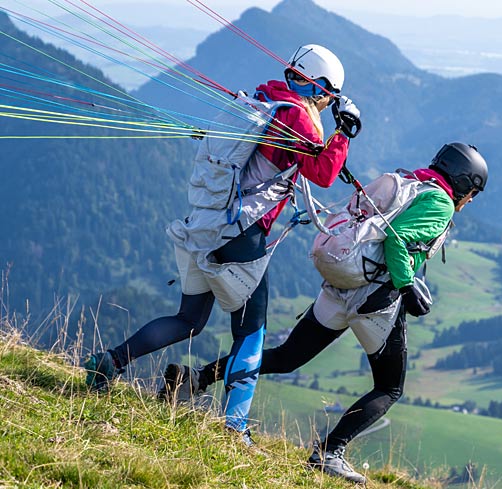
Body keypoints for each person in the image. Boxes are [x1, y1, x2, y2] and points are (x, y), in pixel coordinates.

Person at [161, 142, 489, 483]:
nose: (470, 201)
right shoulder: (439, 203)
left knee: (286, 356)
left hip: (340, 284)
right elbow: (399, 240)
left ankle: (195, 378)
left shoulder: (408, 182)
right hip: (375, 299)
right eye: (473, 192)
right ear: (464, 183)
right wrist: (407, 285)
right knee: (389, 388)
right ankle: (330, 452)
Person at [83, 44, 360, 445]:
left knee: (188, 320)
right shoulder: (296, 117)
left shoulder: (261, 99)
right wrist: (344, 132)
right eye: (329, 96)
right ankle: (234, 427)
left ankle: (109, 362)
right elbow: (323, 172)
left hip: (206, 223)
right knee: (251, 334)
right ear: (320, 89)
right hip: (240, 234)